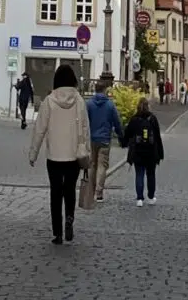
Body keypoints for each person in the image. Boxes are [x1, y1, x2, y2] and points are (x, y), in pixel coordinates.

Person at [29, 62, 91, 245]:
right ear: (73, 80)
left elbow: (39, 129)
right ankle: (70, 218)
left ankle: (57, 233)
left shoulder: (49, 100)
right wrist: (87, 151)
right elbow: (86, 128)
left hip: (54, 156)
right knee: (70, 190)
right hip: (74, 156)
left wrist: (33, 153)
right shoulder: (79, 101)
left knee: (55, 193)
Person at [85, 72, 125, 201]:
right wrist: (121, 136)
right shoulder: (109, 105)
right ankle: (99, 193)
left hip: (92, 138)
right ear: (104, 90)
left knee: (92, 164)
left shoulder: (89, 104)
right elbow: (117, 122)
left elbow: (85, 122)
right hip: (104, 140)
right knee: (102, 165)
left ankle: (90, 190)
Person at [123, 95, 164, 205]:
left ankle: (139, 198)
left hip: (138, 151)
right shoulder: (153, 119)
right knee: (151, 174)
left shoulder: (135, 119)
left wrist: (124, 143)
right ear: (148, 106)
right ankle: (151, 197)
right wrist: (160, 153)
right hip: (151, 152)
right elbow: (157, 136)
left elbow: (127, 134)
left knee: (139, 174)